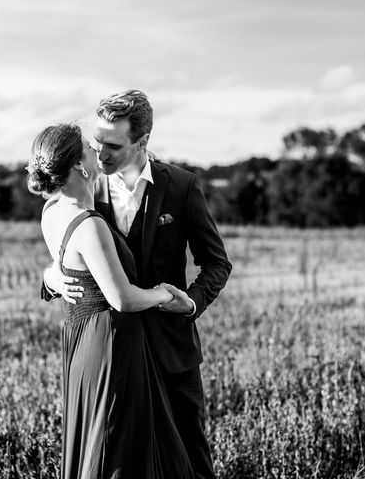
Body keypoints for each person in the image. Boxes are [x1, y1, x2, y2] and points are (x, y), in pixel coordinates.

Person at [43, 90, 232, 479]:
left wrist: (191, 303)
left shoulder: (181, 186)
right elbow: (64, 244)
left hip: (169, 350)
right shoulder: (84, 186)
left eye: (113, 146)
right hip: (115, 357)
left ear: (142, 141)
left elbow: (217, 262)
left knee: (191, 466)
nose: (101, 154)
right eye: (97, 144)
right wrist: (50, 277)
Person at [28, 123, 195, 479]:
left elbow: (65, 264)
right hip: (111, 344)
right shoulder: (90, 224)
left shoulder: (51, 211)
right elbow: (121, 297)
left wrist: (52, 275)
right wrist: (165, 293)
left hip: (81, 338)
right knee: (115, 447)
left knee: (103, 438)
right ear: (78, 166)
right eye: (91, 147)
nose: (98, 151)